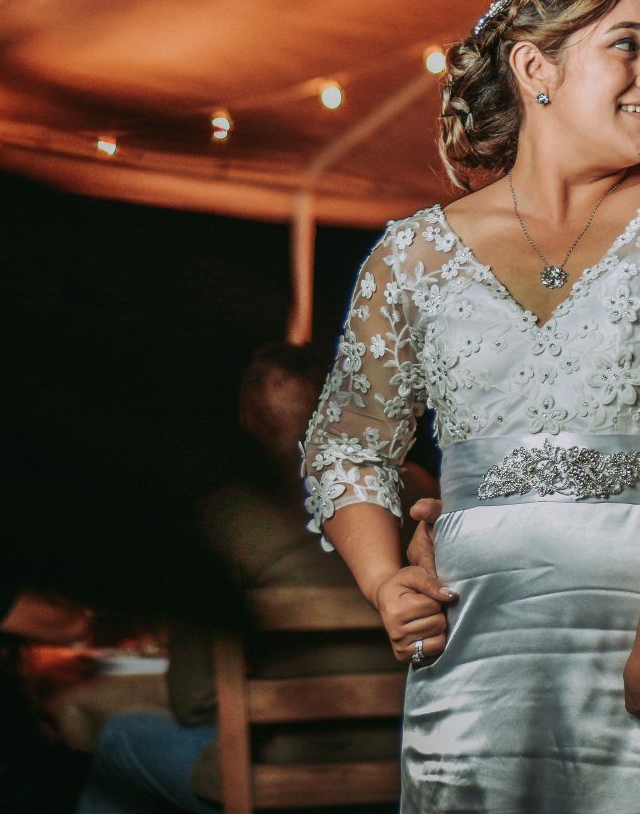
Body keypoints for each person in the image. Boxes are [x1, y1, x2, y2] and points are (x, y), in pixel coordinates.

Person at [302, 0, 640, 811]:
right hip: (480, 667)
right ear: (537, 65)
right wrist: (386, 581)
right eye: (628, 46)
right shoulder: (412, 253)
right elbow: (346, 447)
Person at [77, 342, 418, 814]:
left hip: (283, 781)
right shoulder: (416, 491)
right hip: (412, 767)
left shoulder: (225, 515)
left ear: (245, 420)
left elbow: (193, 701)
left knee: (120, 737)